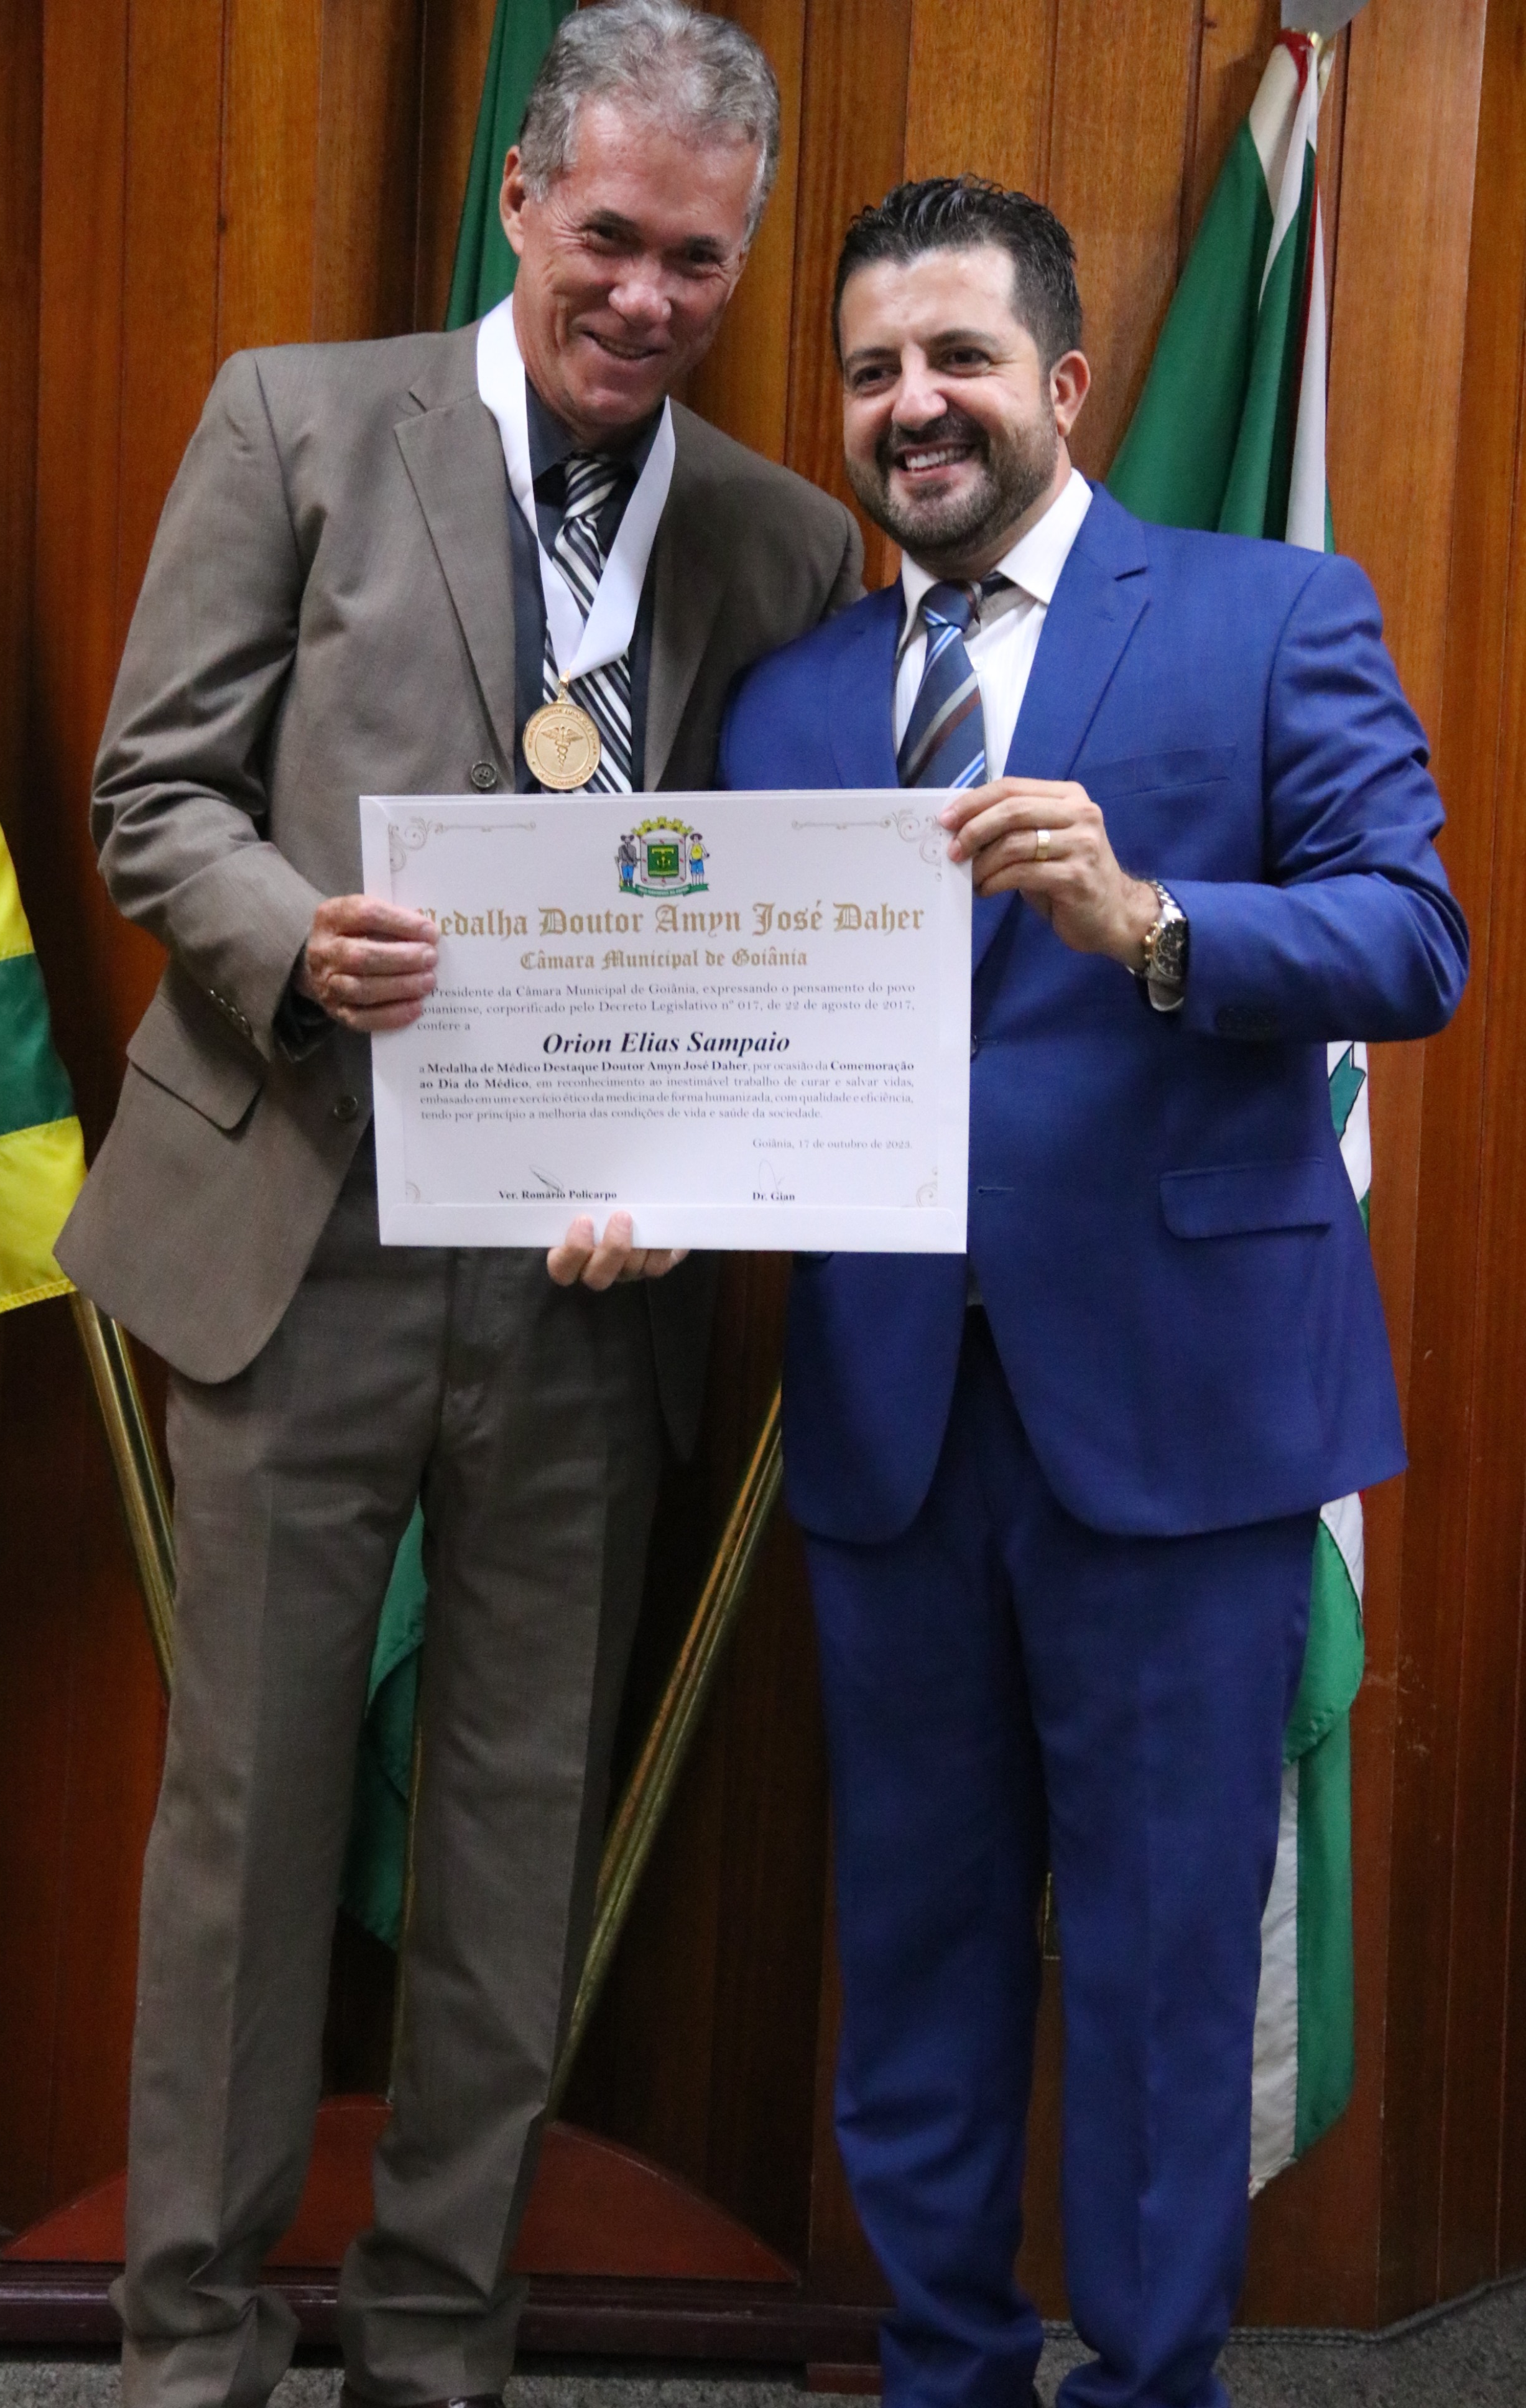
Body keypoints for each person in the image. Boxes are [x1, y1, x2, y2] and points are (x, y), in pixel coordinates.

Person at [55, 9, 862, 2408]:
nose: (645, 296)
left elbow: (775, 924)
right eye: (608, 236)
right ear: (521, 197)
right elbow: (149, 791)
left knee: (517, 1846)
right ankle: (187, 2355)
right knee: (249, 1839)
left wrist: (700, 1165)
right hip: (299, 1237)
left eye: (698, 261)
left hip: (590, 1290)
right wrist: (294, 938)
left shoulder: (785, 542)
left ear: (742, 259)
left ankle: (439, 2351)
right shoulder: (297, 421)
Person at [720, 178, 1467, 2408]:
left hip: (1184, 1416)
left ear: (1058, 381)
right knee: (917, 1950)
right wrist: (637, 1183)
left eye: (957, 358)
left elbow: (1414, 937)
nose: (913, 404)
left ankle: (1152, 2387)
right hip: (890, 1423)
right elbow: (733, 1035)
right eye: (872, 371)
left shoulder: (1269, 612)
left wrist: (1154, 921)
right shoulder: (790, 700)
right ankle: (945, 2372)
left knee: (1158, 1969)